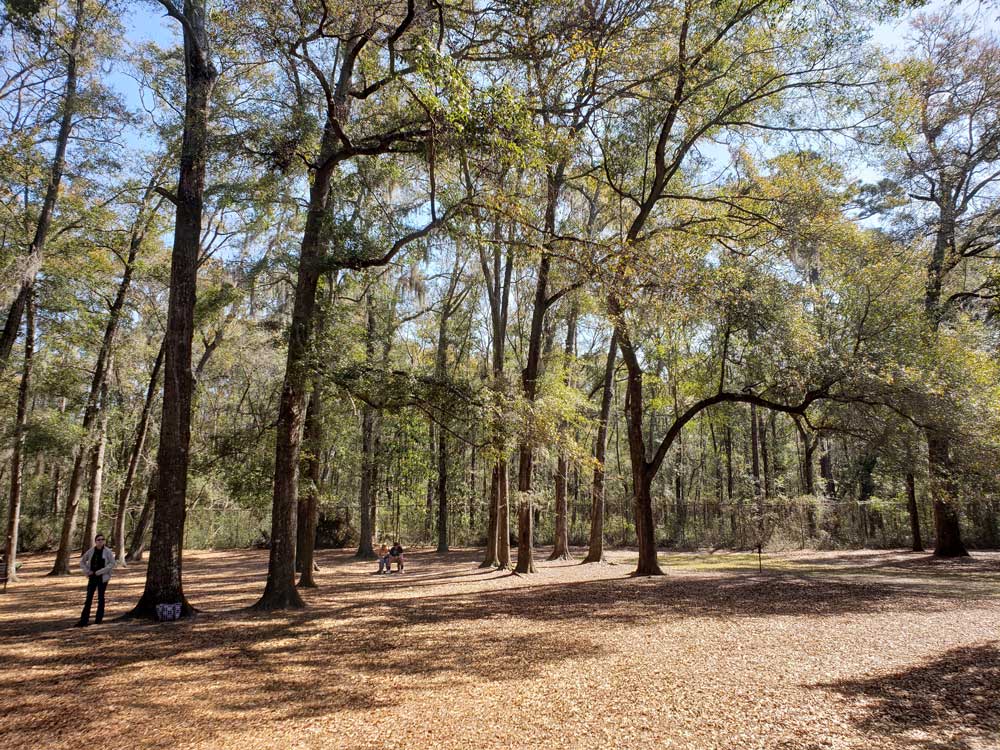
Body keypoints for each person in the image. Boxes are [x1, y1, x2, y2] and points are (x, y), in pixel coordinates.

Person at [75, 533, 115, 627]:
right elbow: (82, 561)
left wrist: (100, 571)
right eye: (98, 540)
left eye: (102, 539)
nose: (100, 541)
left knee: (101, 598)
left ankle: (98, 620)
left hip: (102, 578)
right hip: (92, 577)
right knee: (88, 598)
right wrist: (87, 571)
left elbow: (112, 563)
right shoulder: (91, 551)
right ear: (95, 541)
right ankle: (84, 620)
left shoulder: (108, 551)